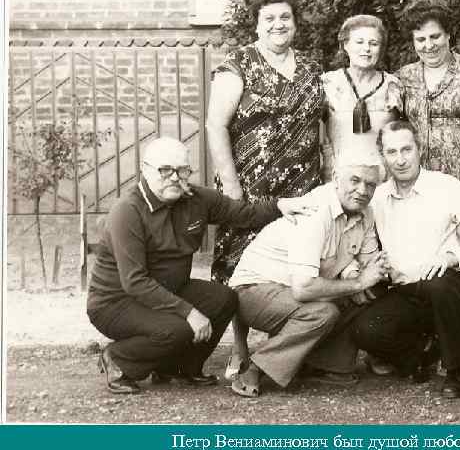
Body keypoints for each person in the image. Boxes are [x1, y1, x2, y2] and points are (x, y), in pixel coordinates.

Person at [86, 137, 312, 394]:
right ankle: (118, 359)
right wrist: (189, 312)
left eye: (182, 170)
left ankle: (180, 368)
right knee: (178, 329)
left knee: (224, 299)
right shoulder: (127, 211)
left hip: (168, 289)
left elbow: (244, 214)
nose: (174, 178)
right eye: (165, 170)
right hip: (117, 302)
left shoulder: (197, 199)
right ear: (145, 170)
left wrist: (280, 206)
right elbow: (135, 282)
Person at [206, 0, 325, 378]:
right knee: (241, 264)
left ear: (295, 23)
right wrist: (231, 187)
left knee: (296, 262)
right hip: (250, 184)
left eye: (285, 17)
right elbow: (215, 125)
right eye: (269, 18)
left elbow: (323, 126)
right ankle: (239, 349)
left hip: (303, 184)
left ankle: (287, 349)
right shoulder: (237, 65)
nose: (278, 24)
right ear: (257, 25)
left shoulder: (311, 68)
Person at [350, 120, 460, 399]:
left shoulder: (447, 186)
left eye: (407, 149)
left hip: (452, 286)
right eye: (392, 152)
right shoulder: (377, 198)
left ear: (420, 149)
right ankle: (425, 353)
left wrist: (452, 257)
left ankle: (459, 368)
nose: (400, 159)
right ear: (383, 156)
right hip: (407, 289)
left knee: (439, 285)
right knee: (365, 329)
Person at [226, 153, 390, 397]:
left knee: (362, 297)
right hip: (253, 290)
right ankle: (257, 367)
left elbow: (369, 263)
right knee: (324, 312)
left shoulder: (366, 212)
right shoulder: (316, 211)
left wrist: (365, 275)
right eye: (355, 180)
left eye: (370, 184)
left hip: (294, 292)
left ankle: (321, 364)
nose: (362, 190)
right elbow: (303, 288)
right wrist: (359, 282)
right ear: (336, 177)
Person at [395, 0, 460, 184]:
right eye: (420, 39)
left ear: (448, 34)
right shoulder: (403, 77)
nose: (429, 45)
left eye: (435, 36)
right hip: (421, 180)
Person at [321, 14, 403, 181]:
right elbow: (318, 136)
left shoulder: (393, 85)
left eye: (373, 43)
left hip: (381, 179)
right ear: (345, 45)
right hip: (340, 178)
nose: (366, 49)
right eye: (359, 42)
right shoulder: (328, 83)